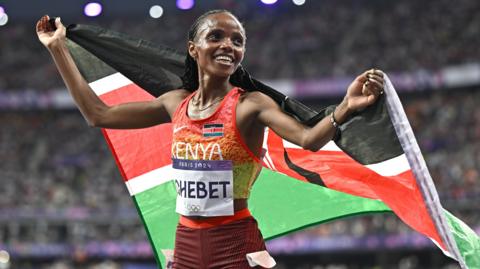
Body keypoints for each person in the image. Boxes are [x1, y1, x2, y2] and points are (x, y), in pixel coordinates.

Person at [36, 10, 384, 269]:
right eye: (216, 36)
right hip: (185, 244)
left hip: (235, 246)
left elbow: (307, 138)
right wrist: (58, 49)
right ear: (193, 48)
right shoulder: (176, 103)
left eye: (237, 41)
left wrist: (345, 108)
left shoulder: (250, 105)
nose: (228, 46)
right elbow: (98, 114)